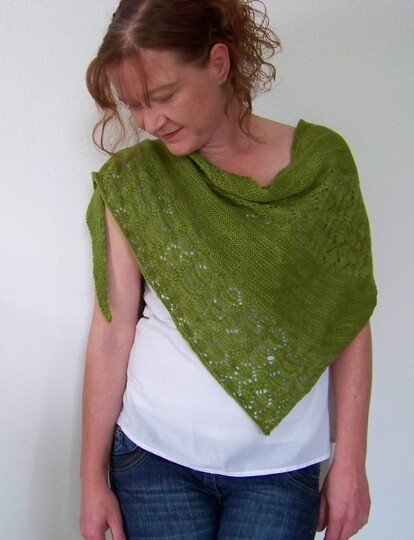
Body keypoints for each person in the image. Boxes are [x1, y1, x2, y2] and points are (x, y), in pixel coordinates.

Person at [80, 1, 377, 539]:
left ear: (218, 63)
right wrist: (91, 479)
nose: (149, 122)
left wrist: (351, 462)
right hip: (152, 461)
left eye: (163, 96)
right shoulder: (135, 182)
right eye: (135, 105)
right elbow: (112, 330)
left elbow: (347, 317)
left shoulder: (321, 165)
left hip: (282, 469)